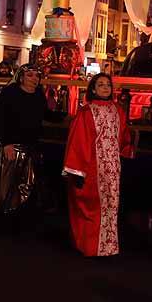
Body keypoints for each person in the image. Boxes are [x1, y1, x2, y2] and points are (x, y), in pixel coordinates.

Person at [62, 73, 133, 257]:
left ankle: (107, 247)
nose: (105, 88)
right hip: (92, 168)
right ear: (93, 89)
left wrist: (126, 150)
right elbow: (78, 141)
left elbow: (124, 137)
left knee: (110, 205)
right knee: (91, 206)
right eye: (100, 84)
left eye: (108, 85)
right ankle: (89, 246)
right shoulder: (85, 112)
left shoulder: (118, 110)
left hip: (113, 169)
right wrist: (77, 170)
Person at [0, 64, 52, 217]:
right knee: (8, 184)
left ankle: (21, 218)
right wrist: (6, 143)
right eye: (30, 75)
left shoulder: (38, 94)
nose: (34, 79)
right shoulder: (10, 93)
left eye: (37, 76)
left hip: (31, 146)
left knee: (27, 185)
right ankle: (3, 216)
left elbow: (46, 114)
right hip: (12, 146)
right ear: (22, 77)